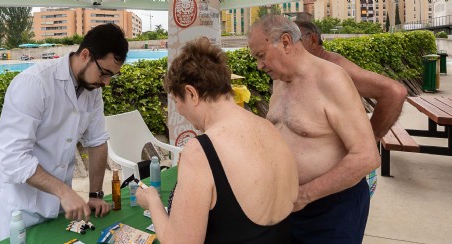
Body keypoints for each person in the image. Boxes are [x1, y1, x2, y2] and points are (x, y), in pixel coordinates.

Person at [135, 38, 299, 243]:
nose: (178, 110)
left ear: (191, 93)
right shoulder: (269, 128)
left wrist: (152, 201)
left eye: (177, 102)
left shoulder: (200, 152)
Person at [0, 23, 129, 244]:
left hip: (58, 204)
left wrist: (95, 195)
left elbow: (97, 141)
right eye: (104, 73)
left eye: (112, 76)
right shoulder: (34, 84)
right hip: (19, 205)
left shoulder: (92, 91)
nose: (106, 83)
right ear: (85, 55)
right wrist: (63, 192)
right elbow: (12, 158)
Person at [248, 15, 380, 243]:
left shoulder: (331, 79)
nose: (259, 65)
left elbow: (367, 157)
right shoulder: (278, 80)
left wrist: (304, 195)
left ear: (286, 42)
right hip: (289, 207)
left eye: (261, 56)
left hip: (332, 209)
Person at [294, 21, 407, 142]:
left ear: (313, 40)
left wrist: (371, 139)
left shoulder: (335, 65)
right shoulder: (307, 67)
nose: (288, 47)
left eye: (294, 40)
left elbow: (395, 92)